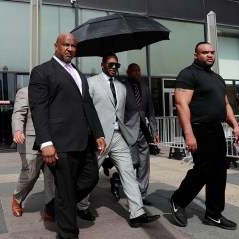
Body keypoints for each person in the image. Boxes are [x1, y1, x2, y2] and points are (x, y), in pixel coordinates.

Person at [28, 33, 106, 239]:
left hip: (84, 140)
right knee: (66, 188)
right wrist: (45, 143)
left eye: (73, 46)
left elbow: (87, 105)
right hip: (59, 141)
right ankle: (67, 235)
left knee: (90, 178)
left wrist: (98, 133)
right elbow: (38, 109)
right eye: (66, 45)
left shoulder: (79, 74)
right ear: (56, 46)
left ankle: (55, 207)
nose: (70, 49)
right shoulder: (42, 72)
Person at [77, 53, 160, 228]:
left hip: (118, 136)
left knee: (128, 172)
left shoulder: (122, 87)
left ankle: (137, 213)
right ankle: (81, 205)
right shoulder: (92, 83)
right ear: (102, 65)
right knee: (91, 173)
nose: (114, 67)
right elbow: (85, 111)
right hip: (99, 138)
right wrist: (91, 134)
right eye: (111, 64)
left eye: (117, 65)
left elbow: (121, 113)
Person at [169, 42, 239, 230]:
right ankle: (178, 200)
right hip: (199, 129)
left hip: (216, 129)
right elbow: (181, 104)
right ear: (196, 55)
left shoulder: (217, 78)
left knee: (219, 172)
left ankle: (213, 214)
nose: (209, 55)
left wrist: (235, 125)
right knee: (204, 169)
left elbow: (225, 105)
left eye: (212, 52)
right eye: (205, 52)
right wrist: (189, 133)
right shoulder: (188, 74)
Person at [11, 87, 55, 220]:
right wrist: (17, 130)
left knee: (51, 176)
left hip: (52, 141)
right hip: (30, 141)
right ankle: (17, 198)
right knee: (30, 174)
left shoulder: (54, 91)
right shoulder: (25, 91)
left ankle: (49, 207)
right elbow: (18, 113)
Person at [123, 63, 159, 206]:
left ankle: (142, 195)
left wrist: (154, 132)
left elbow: (151, 111)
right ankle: (117, 179)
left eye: (138, 70)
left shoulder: (145, 88)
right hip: (128, 131)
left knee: (144, 164)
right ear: (128, 72)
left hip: (144, 132)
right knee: (133, 162)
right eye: (133, 70)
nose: (136, 73)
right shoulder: (122, 87)